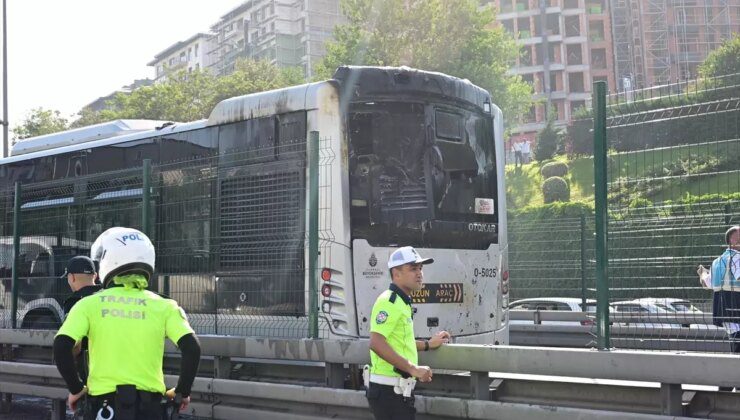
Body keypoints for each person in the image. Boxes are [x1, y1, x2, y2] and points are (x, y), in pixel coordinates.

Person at [53, 227, 201, 420]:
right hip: (151, 409)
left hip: (103, 408)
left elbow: (61, 345)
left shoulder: (87, 305)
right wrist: (182, 392)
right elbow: (192, 348)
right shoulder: (165, 306)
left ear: (108, 261)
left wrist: (76, 389)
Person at [365, 246, 451, 420]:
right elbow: (376, 342)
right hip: (389, 392)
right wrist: (414, 369)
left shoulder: (402, 302)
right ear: (396, 274)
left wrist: (428, 344)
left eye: (420, 268)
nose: (419, 273)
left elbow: (400, 342)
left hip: (396, 392)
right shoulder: (389, 301)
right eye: (413, 269)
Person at [698, 225, 740, 353]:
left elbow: (707, 283)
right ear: (733, 240)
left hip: (727, 317)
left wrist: (702, 273)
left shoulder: (717, 262)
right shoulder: (737, 258)